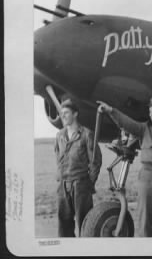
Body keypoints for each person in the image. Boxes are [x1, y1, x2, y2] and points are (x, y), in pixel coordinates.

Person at [97, 96, 152, 237]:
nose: (151, 114)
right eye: (150, 111)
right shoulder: (144, 128)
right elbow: (126, 123)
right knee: (144, 219)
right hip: (147, 176)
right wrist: (111, 111)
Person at [55, 99, 102, 237]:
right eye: (61, 113)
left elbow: (95, 161)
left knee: (85, 224)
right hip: (63, 186)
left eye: (66, 113)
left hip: (80, 185)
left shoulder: (87, 134)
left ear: (75, 114)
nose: (62, 116)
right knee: (63, 226)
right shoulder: (59, 136)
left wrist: (89, 183)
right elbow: (58, 158)